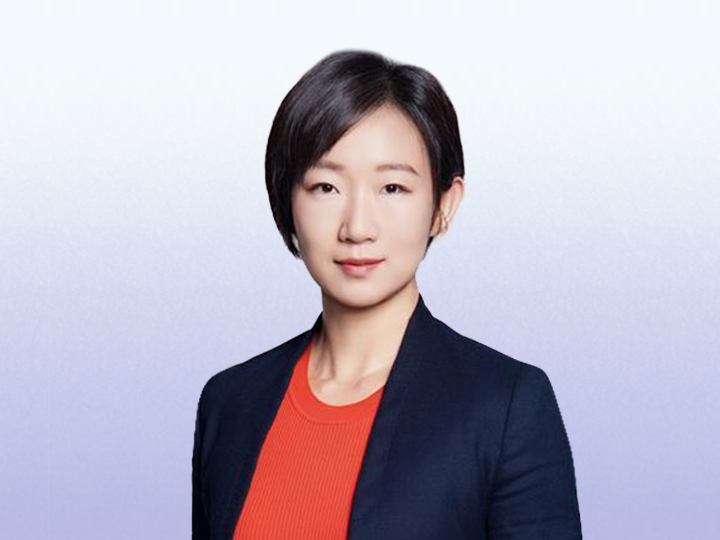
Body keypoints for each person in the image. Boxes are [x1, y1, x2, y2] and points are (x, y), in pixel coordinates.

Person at [192, 49, 582, 540]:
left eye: (392, 188)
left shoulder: (505, 407)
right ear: (287, 200)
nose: (358, 227)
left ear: (444, 204)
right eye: (325, 187)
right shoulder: (230, 403)